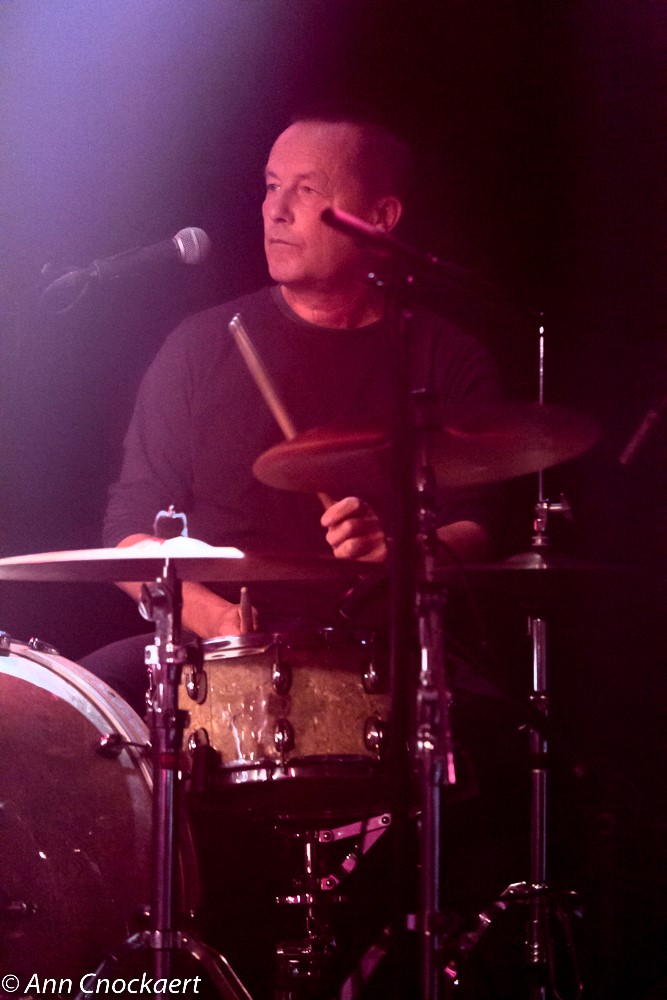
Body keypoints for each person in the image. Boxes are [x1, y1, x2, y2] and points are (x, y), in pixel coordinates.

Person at [83, 105, 503, 713]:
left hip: (385, 653)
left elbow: (479, 527)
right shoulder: (199, 347)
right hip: (218, 650)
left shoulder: (444, 357)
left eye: (307, 191)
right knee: (70, 709)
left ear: (381, 217)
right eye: (272, 185)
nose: (275, 210)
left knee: (494, 719)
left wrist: (405, 550)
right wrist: (217, 619)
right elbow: (128, 530)